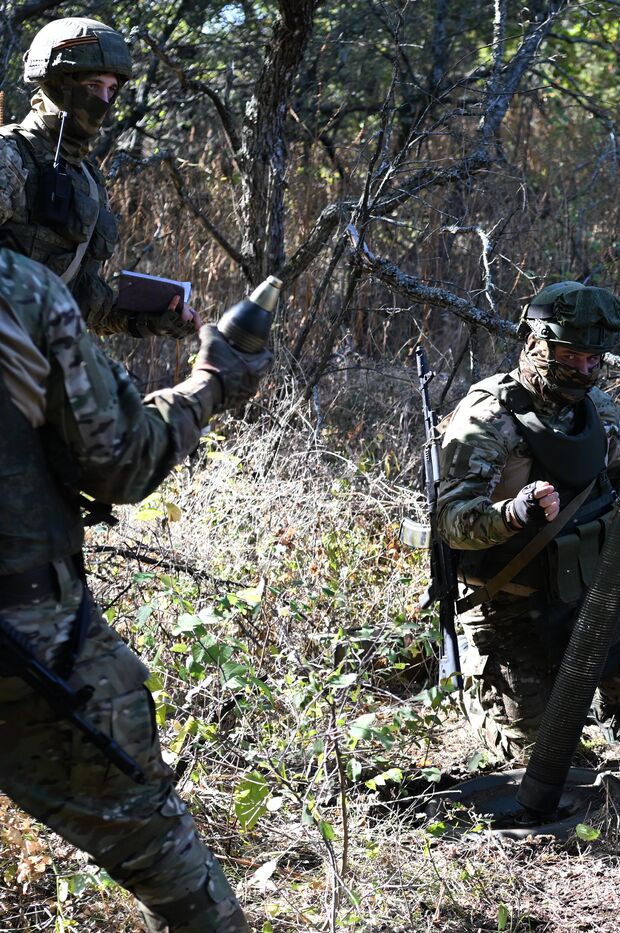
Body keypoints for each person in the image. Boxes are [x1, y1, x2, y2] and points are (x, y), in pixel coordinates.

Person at [0, 248, 270, 930]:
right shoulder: (18, 289)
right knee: (161, 854)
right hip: (26, 645)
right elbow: (124, 460)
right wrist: (212, 381)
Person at [436, 282, 620, 759]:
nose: (585, 370)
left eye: (594, 359)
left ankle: (611, 701)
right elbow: (452, 520)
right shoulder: (486, 417)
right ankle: (483, 698)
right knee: (547, 757)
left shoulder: (597, 409)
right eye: (571, 355)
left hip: (590, 582)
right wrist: (514, 513)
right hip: (511, 603)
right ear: (535, 343)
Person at [0, 18, 197, 338]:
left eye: (112, 90)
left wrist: (151, 317)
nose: (104, 101)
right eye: (93, 86)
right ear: (57, 84)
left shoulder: (88, 177)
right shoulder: (10, 155)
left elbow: (83, 303)